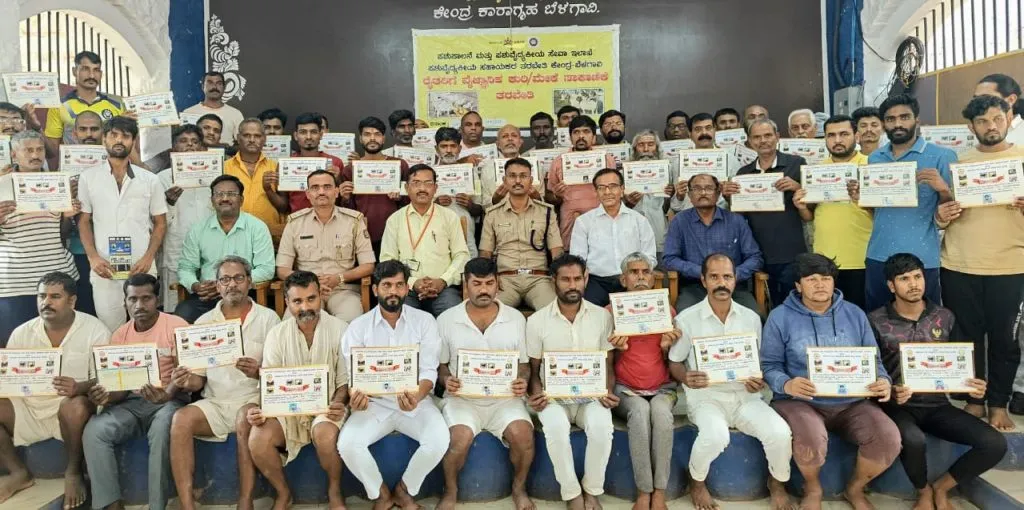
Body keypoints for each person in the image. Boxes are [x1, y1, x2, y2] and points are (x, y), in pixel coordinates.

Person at [760, 254, 900, 510]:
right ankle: (812, 487)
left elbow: (874, 359)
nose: (820, 284)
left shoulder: (854, 314)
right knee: (811, 439)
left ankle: (855, 488)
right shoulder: (780, 317)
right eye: (811, 279)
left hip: (852, 402)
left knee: (888, 438)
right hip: (800, 401)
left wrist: (882, 380)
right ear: (798, 285)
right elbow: (768, 365)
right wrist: (787, 384)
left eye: (825, 278)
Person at [870, 253, 1007, 510]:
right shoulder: (875, 320)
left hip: (937, 405)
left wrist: (972, 385)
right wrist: (889, 390)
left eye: (918, 276)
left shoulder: (945, 317)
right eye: (904, 278)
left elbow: (959, 363)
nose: (913, 284)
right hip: (898, 406)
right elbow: (870, 371)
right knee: (913, 439)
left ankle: (942, 487)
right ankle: (922, 491)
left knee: (994, 443)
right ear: (891, 286)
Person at [669, 254, 794, 510]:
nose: (721, 283)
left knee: (780, 433)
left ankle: (777, 483)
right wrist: (685, 377)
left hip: (745, 396)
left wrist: (757, 380)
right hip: (706, 397)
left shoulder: (751, 317)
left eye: (727, 276)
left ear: (735, 280)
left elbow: (758, 363)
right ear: (703, 280)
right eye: (714, 277)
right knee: (715, 435)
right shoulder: (687, 318)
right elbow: (674, 362)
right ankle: (697, 481)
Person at [936, 94, 1024, 431]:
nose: (991, 126)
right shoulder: (957, 162)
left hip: (1009, 265)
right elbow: (941, 218)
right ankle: (974, 399)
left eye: (997, 119)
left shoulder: (1021, 158)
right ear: (970, 126)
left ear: (1008, 117)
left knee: (1004, 338)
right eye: (983, 121)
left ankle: (998, 403)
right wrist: (942, 214)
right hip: (959, 263)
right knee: (966, 337)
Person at [169, 256, 281, 510]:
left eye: (239, 278)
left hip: (254, 400)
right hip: (216, 403)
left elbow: (279, 376)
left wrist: (258, 372)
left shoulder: (269, 319)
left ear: (249, 282)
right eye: (225, 279)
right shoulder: (203, 323)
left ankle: (245, 500)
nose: (233, 285)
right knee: (180, 420)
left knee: (245, 416)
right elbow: (198, 381)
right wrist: (185, 380)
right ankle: (187, 505)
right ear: (217, 286)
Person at [338, 260, 450, 510]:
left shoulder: (425, 321)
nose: (393, 291)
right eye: (387, 285)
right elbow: (353, 377)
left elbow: (429, 370)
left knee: (439, 439)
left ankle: (404, 490)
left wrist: (417, 396)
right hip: (374, 404)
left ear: (407, 288)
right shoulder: (358, 327)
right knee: (348, 444)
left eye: (400, 285)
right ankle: (381, 495)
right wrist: (356, 395)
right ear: (375, 289)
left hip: (415, 401)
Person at [0, 272, 109, 506]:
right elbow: (8, 381)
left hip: (70, 413)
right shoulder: (22, 332)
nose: (45, 302)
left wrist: (80, 386)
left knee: (76, 405)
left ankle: (73, 473)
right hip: (30, 408)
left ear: (72, 301)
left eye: (54, 296)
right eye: (41, 296)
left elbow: (105, 377)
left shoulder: (95, 329)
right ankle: (18, 472)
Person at [435, 257, 535, 510]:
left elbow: (524, 364)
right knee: (458, 438)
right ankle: (451, 490)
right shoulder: (446, 319)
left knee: (523, 435)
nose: (483, 290)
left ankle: (519, 488)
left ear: (498, 284)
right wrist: (447, 380)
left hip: (505, 399)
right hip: (463, 399)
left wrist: (522, 380)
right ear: (464, 285)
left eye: (490, 283)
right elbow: (441, 365)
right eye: (477, 283)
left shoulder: (515, 319)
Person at [83, 274, 189, 510]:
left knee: (162, 430)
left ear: (157, 299)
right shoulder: (120, 335)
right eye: (132, 299)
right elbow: (117, 391)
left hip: (169, 400)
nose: (139, 306)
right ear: (125, 302)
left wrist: (167, 394)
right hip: (130, 402)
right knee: (95, 431)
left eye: (146, 298)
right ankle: (111, 505)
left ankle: (156, 506)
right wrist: (105, 396)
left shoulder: (177, 326)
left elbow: (186, 375)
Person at [246, 271, 350, 510]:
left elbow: (344, 382)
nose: (306, 307)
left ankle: (334, 490)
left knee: (324, 433)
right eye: (297, 301)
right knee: (258, 438)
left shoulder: (341, 329)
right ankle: (283, 493)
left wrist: (338, 404)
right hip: (287, 408)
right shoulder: (277, 334)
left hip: (327, 407)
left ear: (321, 297)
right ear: (287, 302)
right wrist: (263, 409)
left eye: (311, 299)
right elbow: (270, 382)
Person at [526, 254, 617, 510]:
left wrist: (607, 391)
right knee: (555, 429)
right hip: (553, 398)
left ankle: (592, 490)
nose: (572, 285)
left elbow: (608, 364)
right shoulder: (537, 321)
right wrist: (538, 395)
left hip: (592, 396)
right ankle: (572, 493)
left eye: (578, 278)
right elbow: (533, 370)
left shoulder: (602, 317)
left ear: (585, 279)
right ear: (553, 281)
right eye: (565, 279)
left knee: (602, 428)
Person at [850, 94, 956, 312]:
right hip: (878, 255)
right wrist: (862, 199)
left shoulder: (941, 156)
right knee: (878, 324)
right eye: (890, 119)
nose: (897, 124)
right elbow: (877, 211)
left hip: (922, 258)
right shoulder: (876, 158)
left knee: (926, 328)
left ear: (917, 120)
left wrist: (943, 188)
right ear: (884, 124)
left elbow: (954, 209)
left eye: (904, 117)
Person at [77, 116, 166, 332]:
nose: (119, 140)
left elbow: (160, 223)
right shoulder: (88, 178)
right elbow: (83, 221)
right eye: (113, 135)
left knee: (146, 325)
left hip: (140, 264)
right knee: (110, 329)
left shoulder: (150, 180)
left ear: (133, 141)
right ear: (104, 140)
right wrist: (93, 257)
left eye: (125, 136)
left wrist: (148, 257)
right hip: (104, 267)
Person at [607, 253, 682, 510]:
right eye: (634, 272)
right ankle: (643, 490)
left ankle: (659, 490)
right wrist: (618, 348)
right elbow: (604, 361)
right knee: (639, 413)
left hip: (662, 386)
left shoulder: (665, 310)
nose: (640, 277)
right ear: (623, 278)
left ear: (652, 278)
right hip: (625, 388)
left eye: (645, 272)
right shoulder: (610, 312)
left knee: (660, 414)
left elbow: (673, 361)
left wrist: (665, 347)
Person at [0, 130, 79, 344]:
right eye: (28, 150)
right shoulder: (1, 184)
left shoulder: (57, 183)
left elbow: (63, 233)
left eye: (39, 149)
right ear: (14, 155)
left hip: (57, 275)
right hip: (15, 282)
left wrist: (67, 215)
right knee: (14, 346)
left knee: (59, 343)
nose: (35, 155)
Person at [793, 115, 872, 309]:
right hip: (824, 263)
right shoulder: (816, 172)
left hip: (862, 259)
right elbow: (810, 216)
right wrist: (802, 207)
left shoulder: (871, 166)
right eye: (831, 135)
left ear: (857, 136)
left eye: (844, 134)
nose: (837, 140)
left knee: (859, 320)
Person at [726, 119, 807, 308]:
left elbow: (811, 206)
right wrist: (729, 196)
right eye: (757, 137)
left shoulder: (796, 164)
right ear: (750, 141)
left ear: (777, 137)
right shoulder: (743, 173)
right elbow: (739, 215)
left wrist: (798, 186)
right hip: (757, 253)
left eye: (768, 135)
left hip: (790, 252)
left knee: (793, 304)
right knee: (763, 306)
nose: (763, 140)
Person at [277, 170, 375, 322]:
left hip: (343, 290)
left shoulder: (354, 221)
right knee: (293, 324)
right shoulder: (295, 223)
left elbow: (368, 265)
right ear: (308, 193)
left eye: (327, 187)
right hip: (305, 291)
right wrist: (310, 282)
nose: (321, 192)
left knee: (350, 321)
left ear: (337, 192)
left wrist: (339, 278)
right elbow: (282, 269)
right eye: (315, 188)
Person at [174, 174, 275, 323]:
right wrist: (195, 286)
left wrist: (229, 283)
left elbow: (266, 269)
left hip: (246, 294)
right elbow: (186, 268)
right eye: (219, 194)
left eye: (232, 194)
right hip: (207, 297)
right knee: (182, 316)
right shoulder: (198, 230)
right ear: (212, 201)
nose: (225, 198)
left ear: (241, 200)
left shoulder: (257, 227)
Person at [663, 174, 762, 313]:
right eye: (697, 188)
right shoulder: (680, 221)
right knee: (683, 317)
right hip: (695, 286)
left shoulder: (736, 221)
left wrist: (731, 275)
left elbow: (755, 257)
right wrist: (702, 273)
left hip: (734, 287)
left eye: (709, 188)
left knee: (754, 317)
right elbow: (669, 259)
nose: (703, 193)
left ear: (718, 193)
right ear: (689, 195)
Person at [380, 164, 469, 317]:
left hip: (444, 289)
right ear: (407, 188)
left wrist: (443, 280)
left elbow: (462, 255)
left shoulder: (449, 217)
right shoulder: (395, 220)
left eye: (428, 183)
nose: (422, 188)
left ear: (435, 188)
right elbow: (387, 259)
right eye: (416, 183)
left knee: (454, 317)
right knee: (402, 317)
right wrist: (413, 282)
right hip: (406, 288)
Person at [479, 158, 562, 311]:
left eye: (523, 176)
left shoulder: (547, 212)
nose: (517, 181)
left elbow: (556, 251)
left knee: (552, 310)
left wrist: (557, 279)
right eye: (512, 176)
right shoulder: (492, 214)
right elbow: (485, 254)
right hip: (505, 279)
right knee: (492, 310)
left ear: (531, 180)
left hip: (539, 279)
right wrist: (491, 280)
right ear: (504, 180)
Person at [570, 168, 656, 306]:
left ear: (622, 189)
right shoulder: (584, 222)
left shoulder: (639, 220)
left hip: (632, 279)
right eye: (601, 188)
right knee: (589, 313)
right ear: (596, 192)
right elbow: (578, 260)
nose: (607, 192)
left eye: (613, 186)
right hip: (596, 282)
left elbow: (649, 257)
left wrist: (636, 276)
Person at [158, 124, 214, 312]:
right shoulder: (162, 179)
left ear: (202, 148)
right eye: (183, 141)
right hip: (177, 251)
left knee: (209, 308)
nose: (190, 145)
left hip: (210, 254)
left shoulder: (213, 177)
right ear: (173, 148)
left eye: (195, 142)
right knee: (176, 309)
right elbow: (156, 224)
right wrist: (168, 204)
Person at [339, 116, 410, 256]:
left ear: (383, 138)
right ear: (360, 139)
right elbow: (346, 210)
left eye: (377, 134)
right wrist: (345, 198)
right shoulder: (349, 169)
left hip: (395, 232)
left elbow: (409, 202)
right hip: (361, 233)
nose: (372, 138)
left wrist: (399, 197)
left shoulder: (399, 165)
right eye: (367, 134)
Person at [546, 115, 617, 249]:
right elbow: (549, 197)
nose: (581, 136)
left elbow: (616, 191)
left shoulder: (606, 159)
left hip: (602, 219)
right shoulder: (558, 161)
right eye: (576, 132)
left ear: (594, 137)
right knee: (573, 261)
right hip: (571, 222)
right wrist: (557, 195)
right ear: (570, 137)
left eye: (586, 132)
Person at [43, 51, 123, 165]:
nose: (91, 75)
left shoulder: (117, 106)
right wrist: (36, 127)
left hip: (107, 172)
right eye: (86, 69)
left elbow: (126, 144)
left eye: (96, 70)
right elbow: (51, 151)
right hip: (73, 171)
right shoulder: (59, 106)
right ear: (75, 71)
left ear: (101, 74)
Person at [63, 111, 104, 316]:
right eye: (83, 129)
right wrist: (67, 195)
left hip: (112, 248)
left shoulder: (118, 164)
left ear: (103, 132)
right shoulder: (63, 170)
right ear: (74, 132)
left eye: (94, 129)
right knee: (86, 309)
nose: (89, 134)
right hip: (79, 251)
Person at [223, 119, 289, 240]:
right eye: (247, 135)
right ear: (238, 138)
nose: (252, 140)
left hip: (269, 236)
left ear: (264, 139)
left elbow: (284, 207)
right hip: (232, 235)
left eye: (257, 136)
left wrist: (268, 190)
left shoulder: (275, 167)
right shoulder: (224, 168)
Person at [622, 130, 676, 262]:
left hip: (658, 228)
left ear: (657, 147)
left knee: (659, 268)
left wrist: (671, 194)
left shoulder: (668, 170)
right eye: (641, 145)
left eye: (651, 144)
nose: (646, 149)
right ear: (635, 148)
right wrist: (628, 202)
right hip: (630, 230)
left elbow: (673, 206)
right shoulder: (623, 171)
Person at [670, 112, 735, 212]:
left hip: (721, 218)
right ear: (690, 134)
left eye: (708, 128)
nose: (704, 133)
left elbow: (737, 200)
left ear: (715, 131)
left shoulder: (730, 159)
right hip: (688, 219)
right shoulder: (679, 162)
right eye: (698, 129)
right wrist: (679, 196)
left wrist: (727, 195)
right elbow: (675, 206)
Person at [433, 127, 483, 257]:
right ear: (436, 149)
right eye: (444, 146)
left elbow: (480, 209)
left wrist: (470, 205)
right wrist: (435, 203)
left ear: (459, 149)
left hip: (466, 234)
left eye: (453, 146)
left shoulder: (471, 173)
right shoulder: (428, 174)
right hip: (435, 235)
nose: (449, 150)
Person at [287, 112, 345, 212]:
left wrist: (338, 180)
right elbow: (283, 206)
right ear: (296, 136)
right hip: (298, 223)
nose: (308, 137)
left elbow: (341, 203)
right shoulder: (286, 164)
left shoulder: (335, 163)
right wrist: (269, 189)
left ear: (321, 135)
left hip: (329, 221)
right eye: (303, 132)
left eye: (313, 132)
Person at [481, 124, 536, 206]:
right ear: (498, 144)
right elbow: (484, 204)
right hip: (498, 217)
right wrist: (495, 199)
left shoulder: (534, 165)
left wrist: (535, 196)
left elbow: (542, 200)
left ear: (520, 142)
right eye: (505, 136)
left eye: (514, 136)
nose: (510, 139)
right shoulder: (487, 168)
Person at [183, 71, 245, 144]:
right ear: (203, 87)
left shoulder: (235, 114)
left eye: (219, 83)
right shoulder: (189, 112)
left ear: (224, 88)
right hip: (196, 154)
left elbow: (242, 143)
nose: (215, 87)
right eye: (210, 83)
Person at [974, 73, 1023, 146]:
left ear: (1011, 99)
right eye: (976, 98)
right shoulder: (977, 130)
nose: (979, 103)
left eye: (986, 97)